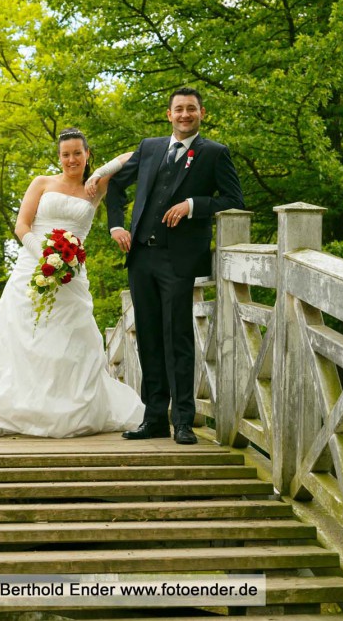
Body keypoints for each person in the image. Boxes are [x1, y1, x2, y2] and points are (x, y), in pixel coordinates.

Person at [0, 129, 145, 438]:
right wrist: (45, 258)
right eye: (65, 154)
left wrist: (100, 172)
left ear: (88, 154)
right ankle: (3, 415)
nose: (71, 159)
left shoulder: (97, 186)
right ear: (59, 157)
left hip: (72, 273)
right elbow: (22, 225)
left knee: (66, 342)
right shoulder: (42, 183)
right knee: (18, 337)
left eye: (77, 153)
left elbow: (136, 156)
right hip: (33, 265)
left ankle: (63, 410)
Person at [102, 87, 244, 445]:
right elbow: (116, 185)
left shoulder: (214, 153)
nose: (185, 115)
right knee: (148, 338)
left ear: (202, 113)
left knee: (177, 337)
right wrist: (116, 224)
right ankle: (153, 420)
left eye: (191, 109)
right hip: (141, 259)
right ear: (169, 114)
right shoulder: (149, 148)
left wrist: (193, 204)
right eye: (178, 109)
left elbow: (233, 199)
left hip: (178, 261)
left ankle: (183, 420)